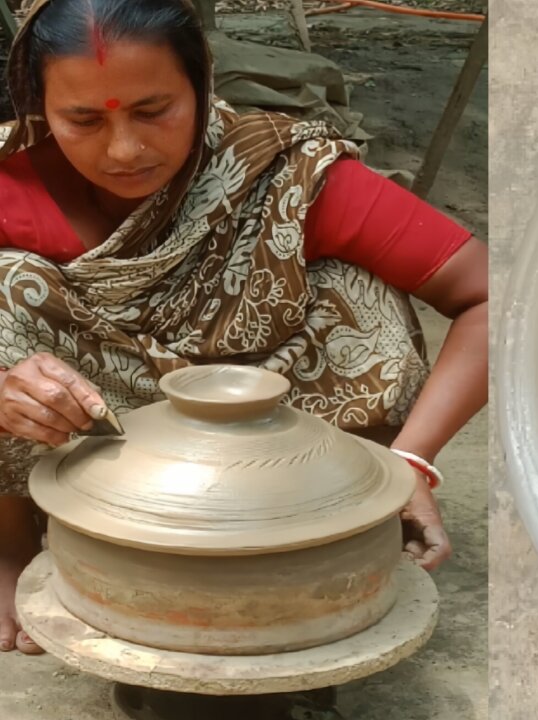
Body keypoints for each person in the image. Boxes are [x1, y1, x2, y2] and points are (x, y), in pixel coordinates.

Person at [0, 0, 488, 655]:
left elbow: (492, 299)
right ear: (37, 106)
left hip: (274, 438)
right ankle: (11, 542)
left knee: (357, 288)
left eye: (154, 110)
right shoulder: (9, 181)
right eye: (84, 120)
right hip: (102, 435)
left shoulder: (282, 172)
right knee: (7, 291)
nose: (124, 150)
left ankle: (346, 517)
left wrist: (412, 464)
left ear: (201, 85)